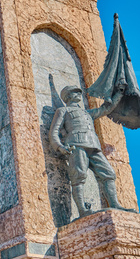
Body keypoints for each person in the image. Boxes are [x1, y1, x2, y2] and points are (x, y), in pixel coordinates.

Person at [49, 84, 132, 216]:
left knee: (109, 173)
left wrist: (118, 93)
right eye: (75, 93)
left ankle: (115, 204)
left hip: (93, 146)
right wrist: (60, 147)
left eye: (78, 92)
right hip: (76, 145)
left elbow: (106, 109)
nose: (78, 95)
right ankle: (82, 210)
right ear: (68, 96)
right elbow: (53, 132)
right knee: (79, 176)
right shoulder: (63, 111)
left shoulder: (87, 113)